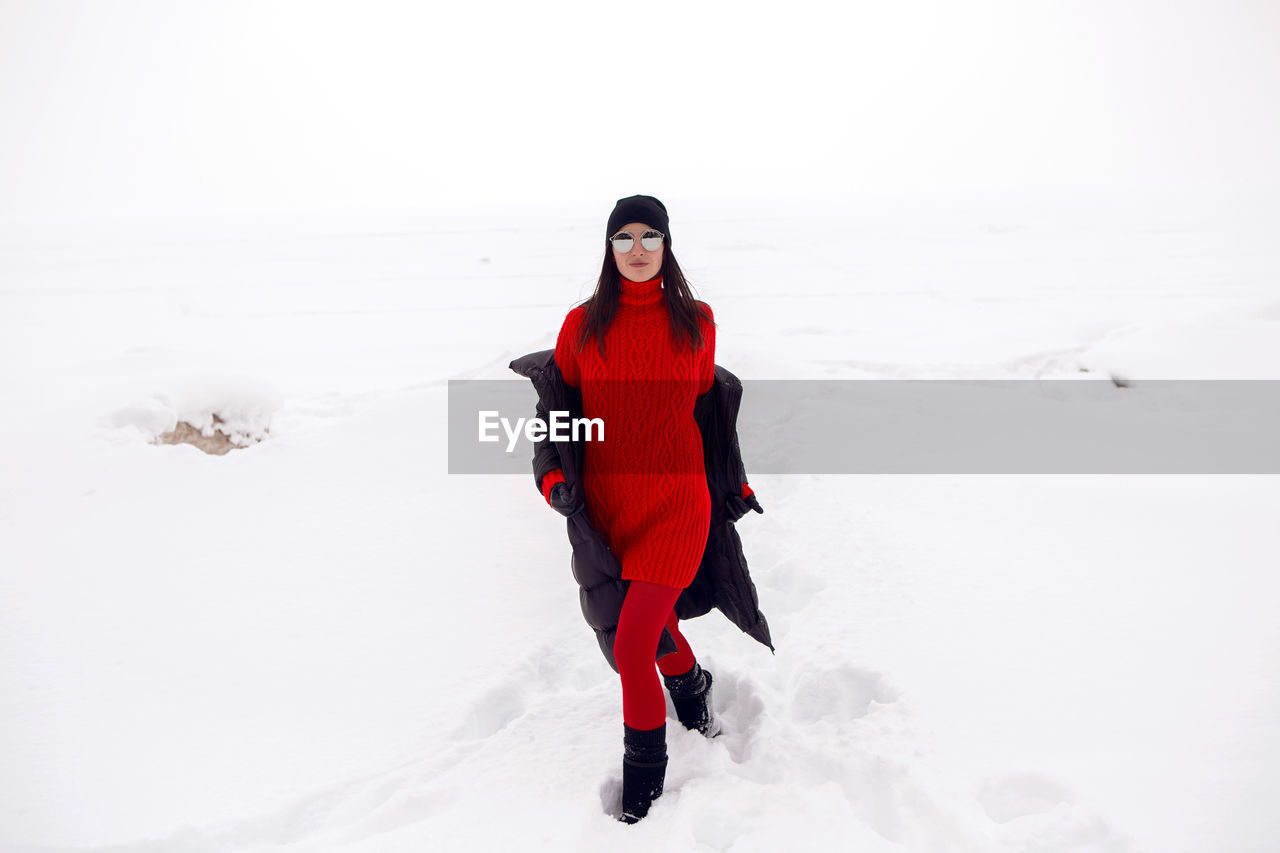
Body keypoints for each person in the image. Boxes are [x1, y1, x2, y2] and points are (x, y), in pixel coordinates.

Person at [509, 195, 770, 824]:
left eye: (650, 235)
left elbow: (708, 415)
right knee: (654, 634)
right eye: (623, 237)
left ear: (667, 245)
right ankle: (692, 687)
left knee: (629, 647)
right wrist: (551, 479)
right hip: (610, 507)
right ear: (608, 248)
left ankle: (642, 792)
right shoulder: (582, 326)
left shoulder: (697, 322)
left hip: (679, 503)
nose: (637, 248)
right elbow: (558, 413)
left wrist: (731, 483)